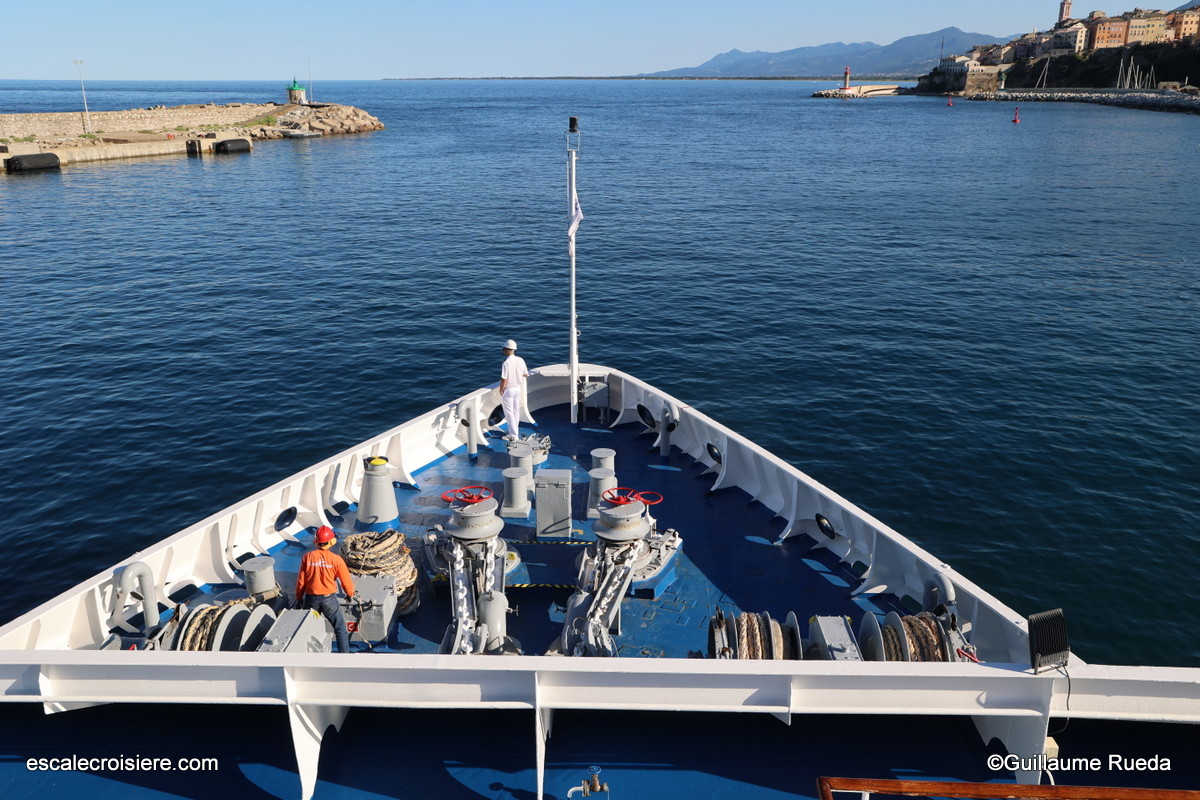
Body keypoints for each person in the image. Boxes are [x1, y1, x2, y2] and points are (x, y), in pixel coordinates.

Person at [295, 525, 356, 653]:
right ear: (331, 542)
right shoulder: (336, 560)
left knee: (307, 628)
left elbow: (301, 581)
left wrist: (299, 598)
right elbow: (346, 581)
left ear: (316, 542)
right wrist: (350, 594)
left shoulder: (307, 557)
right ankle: (345, 657)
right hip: (329, 599)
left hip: (311, 599)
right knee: (340, 628)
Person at [498, 338, 529, 440]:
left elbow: (504, 379)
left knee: (509, 413)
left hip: (508, 390)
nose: (503, 351)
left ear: (508, 350)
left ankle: (513, 435)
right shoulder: (520, 360)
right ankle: (515, 430)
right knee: (516, 411)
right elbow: (525, 374)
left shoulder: (506, 363)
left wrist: (501, 390)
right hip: (517, 388)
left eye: (504, 349)